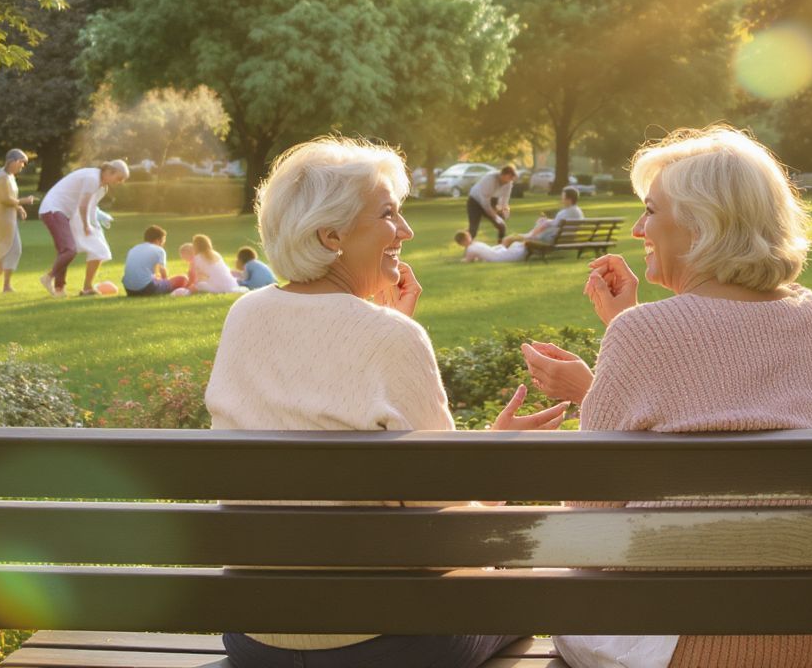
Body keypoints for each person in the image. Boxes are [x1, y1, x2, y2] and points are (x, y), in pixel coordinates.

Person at [206, 136, 565, 668]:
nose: (406, 231)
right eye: (389, 214)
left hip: (256, 636)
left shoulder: (244, 316)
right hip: (388, 643)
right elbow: (446, 528)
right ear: (331, 234)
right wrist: (497, 481)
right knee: (522, 589)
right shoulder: (391, 338)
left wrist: (389, 324)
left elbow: (318, 407)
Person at [520, 126, 812, 668]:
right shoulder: (809, 315)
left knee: (552, 565)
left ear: (701, 225)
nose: (637, 228)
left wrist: (626, 338)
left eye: (650, 211)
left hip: (675, 647)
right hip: (803, 637)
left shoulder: (644, 334)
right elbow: (724, 375)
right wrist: (628, 331)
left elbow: (588, 516)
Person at [38, 160, 129, 297]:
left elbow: (91, 206)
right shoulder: (93, 178)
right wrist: (86, 225)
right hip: (53, 210)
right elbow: (83, 205)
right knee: (69, 250)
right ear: (110, 172)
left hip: (64, 213)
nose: (120, 182)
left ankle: (60, 289)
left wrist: (98, 218)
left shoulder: (101, 186)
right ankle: (48, 277)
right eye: (119, 178)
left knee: (66, 250)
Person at [0, 149, 35, 292]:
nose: (22, 167)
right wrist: (24, 201)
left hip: (7, 216)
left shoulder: (9, 176)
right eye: (21, 163)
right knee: (12, 249)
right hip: (1, 217)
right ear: (13, 161)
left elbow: (11, 198)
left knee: (6, 250)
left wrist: (18, 208)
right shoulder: (2, 177)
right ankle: (5, 285)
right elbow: (4, 199)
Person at [502, 186, 585, 247]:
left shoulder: (565, 212)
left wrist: (544, 223)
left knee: (509, 239)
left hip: (550, 239)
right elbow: (556, 223)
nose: (561, 199)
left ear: (569, 199)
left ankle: (504, 249)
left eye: (563, 197)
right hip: (566, 238)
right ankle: (528, 235)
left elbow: (551, 225)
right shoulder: (578, 211)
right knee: (543, 222)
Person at [122, 225, 188, 296]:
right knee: (183, 278)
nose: (162, 244)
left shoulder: (134, 248)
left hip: (129, 290)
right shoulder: (159, 250)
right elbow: (162, 270)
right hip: (146, 289)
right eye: (162, 241)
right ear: (158, 240)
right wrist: (166, 282)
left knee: (155, 278)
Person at [466, 164, 516, 242]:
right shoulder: (490, 179)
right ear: (502, 175)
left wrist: (504, 211)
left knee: (501, 226)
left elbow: (505, 199)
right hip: (475, 201)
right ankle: (468, 247)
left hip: (491, 199)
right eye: (508, 178)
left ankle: (500, 249)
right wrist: (494, 215)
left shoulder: (508, 183)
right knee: (473, 229)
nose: (509, 181)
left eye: (511, 179)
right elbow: (485, 202)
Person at [454, 229, 527, 262]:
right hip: (499, 252)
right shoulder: (476, 243)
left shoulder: (471, 249)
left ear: (462, 243)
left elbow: (467, 260)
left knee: (519, 250)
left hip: (499, 257)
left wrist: (459, 261)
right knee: (518, 246)